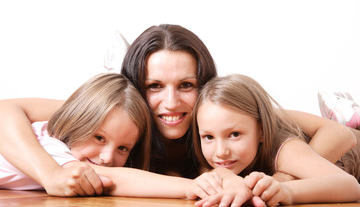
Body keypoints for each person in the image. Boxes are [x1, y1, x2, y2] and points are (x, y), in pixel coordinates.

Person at [0, 24, 356, 196]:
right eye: (155, 86)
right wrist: (50, 174)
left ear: (202, 84)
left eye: (186, 85)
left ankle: (344, 111)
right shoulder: (111, 116)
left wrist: (281, 180)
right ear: (138, 87)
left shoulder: (224, 113)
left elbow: (337, 141)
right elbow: (6, 110)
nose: (171, 103)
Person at [191, 74, 360, 206]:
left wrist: (286, 191)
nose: (221, 152)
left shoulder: (286, 150)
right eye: (209, 137)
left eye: (235, 134)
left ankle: (349, 118)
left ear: (262, 131)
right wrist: (226, 176)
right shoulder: (209, 155)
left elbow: (351, 186)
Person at [0, 73, 151, 193]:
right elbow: (116, 180)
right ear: (78, 123)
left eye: (123, 148)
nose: (107, 158)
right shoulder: (50, 146)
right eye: (99, 138)